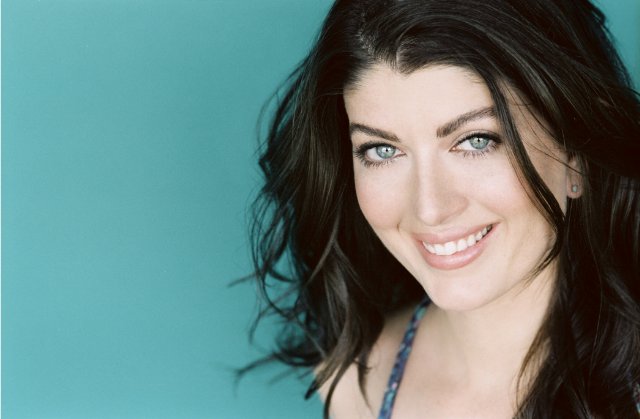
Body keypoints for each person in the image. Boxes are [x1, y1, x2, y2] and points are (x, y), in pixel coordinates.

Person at [250, 0, 640, 417]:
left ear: (577, 153)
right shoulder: (352, 381)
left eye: (476, 141)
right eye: (382, 150)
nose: (430, 209)